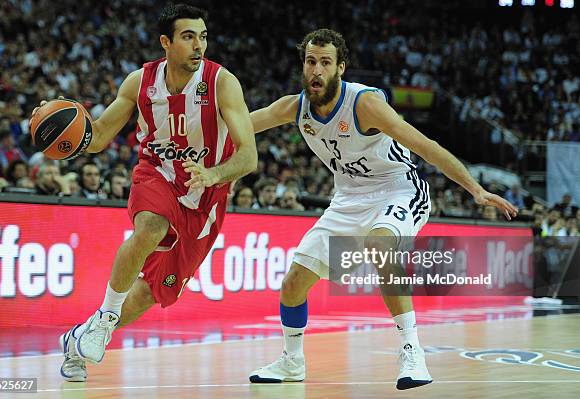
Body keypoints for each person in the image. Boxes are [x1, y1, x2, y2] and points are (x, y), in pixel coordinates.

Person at [247, 29, 517, 390]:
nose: (317, 70)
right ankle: (292, 361)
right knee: (294, 282)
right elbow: (239, 126)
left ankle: (412, 352)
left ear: (340, 67)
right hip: (347, 200)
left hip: (399, 189)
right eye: (311, 61)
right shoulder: (294, 108)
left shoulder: (365, 104)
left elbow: (426, 146)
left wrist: (476, 190)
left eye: (326, 62)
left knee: (380, 245)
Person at [30, 4, 256, 382]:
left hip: (205, 196)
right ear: (166, 42)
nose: (198, 45)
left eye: (202, 36)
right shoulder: (140, 82)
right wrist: (63, 128)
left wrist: (215, 173)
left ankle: (82, 336)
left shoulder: (222, 82)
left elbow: (248, 155)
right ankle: (105, 316)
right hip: (157, 174)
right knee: (151, 226)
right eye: (188, 37)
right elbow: (99, 137)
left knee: (153, 292)